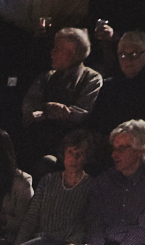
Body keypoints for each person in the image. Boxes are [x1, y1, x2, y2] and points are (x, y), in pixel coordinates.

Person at [0, 130, 93, 245]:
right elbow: (32, 217)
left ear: (86, 157)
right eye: (70, 152)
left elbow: (87, 224)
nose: (74, 158)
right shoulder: (48, 181)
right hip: (40, 242)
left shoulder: (91, 186)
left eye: (80, 154)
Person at [19, 28, 103, 167]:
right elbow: (30, 103)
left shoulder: (91, 78)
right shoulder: (47, 76)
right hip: (40, 138)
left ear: (73, 53)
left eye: (58, 48)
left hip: (71, 143)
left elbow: (82, 111)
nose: (52, 52)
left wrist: (57, 113)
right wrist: (45, 110)